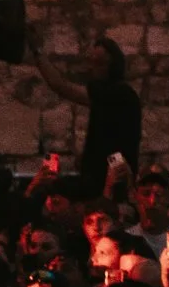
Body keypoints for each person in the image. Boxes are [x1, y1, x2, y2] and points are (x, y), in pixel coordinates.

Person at [31, 33, 142, 197]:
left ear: (112, 65)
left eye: (99, 63)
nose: (92, 68)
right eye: (92, 62)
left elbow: (61, 86)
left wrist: (37, 52)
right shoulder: (121, 94)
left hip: (107, 183)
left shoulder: (116, 92)